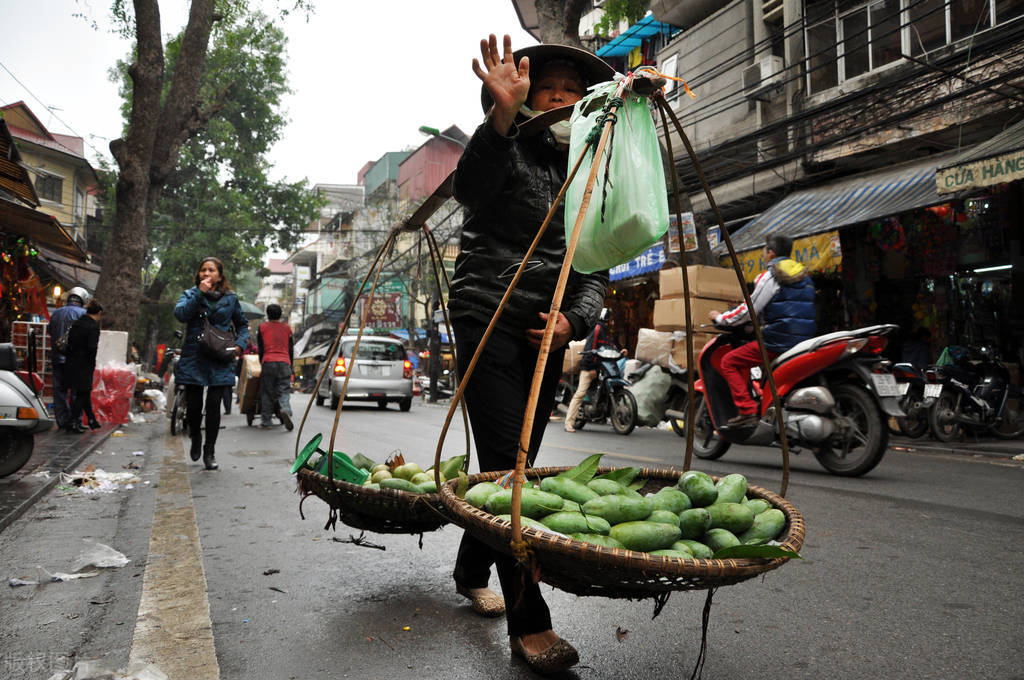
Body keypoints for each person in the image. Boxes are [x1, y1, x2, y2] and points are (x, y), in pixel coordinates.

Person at [447, 34, 612, 674]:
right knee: (507, 467)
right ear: (527, 95)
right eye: (549, 91)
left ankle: (469, 566)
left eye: (573, 94)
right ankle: (530, 622)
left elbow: (595, 267)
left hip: (545, 331)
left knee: (516, 461)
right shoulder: (506, 147)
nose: (561, 100)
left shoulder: (589, 175)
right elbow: (469, 188)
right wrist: (500, 117)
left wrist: (573, 319)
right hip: (486, 311)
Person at [709, 234, 816, 428]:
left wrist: (720, 318)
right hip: (804, 340)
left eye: (764, 252)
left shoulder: (770, 275)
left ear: (771, 252)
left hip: (778, 341)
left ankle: (747, 410)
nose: (763, 256)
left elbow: (749, 310)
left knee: (729, 361)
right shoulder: (805, 276)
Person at [174, 257, 250, 469]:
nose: (207, 274)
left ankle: (210, 451)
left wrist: (239, 346)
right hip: (194, 356)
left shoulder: (231, 299)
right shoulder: (190, 294)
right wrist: (199, 292)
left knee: (214, 406)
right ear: (198, 275)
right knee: (195, 406)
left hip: (221, 356)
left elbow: (243, 326)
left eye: (211, 270)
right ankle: (196, 436)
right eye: (203, 270)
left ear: (219, 275)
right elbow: (181, 314)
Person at [564, 308, 624, 432]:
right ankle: (569, 422)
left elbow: (607, 346)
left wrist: (619, 351)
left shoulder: (603, 330)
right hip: (589, 366)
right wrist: (592, 359)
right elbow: (591, 346)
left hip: (599, 367)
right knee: (580, 394)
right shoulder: (597, 329)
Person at [47, 287, 89, 430]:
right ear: (82, 300)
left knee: (60, 392)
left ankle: (63, 422)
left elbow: (50, 332)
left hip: (58, 359)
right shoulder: (84, 314)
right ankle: (75, 421)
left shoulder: (56, 313)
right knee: (77, 391)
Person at [64, 299, 103, 433]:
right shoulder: (93, 327)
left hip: (71, 361)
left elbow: (69, 343)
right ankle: (73, 421)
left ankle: (91, 420)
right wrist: (92, 364)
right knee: (82, 393)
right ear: (98, 313)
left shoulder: (77, 324)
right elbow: (92, 348)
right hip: (84, 364)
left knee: (83, 392)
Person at [257, 303, 294, 430]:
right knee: (284, 391)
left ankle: (266, 421)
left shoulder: (262, 328)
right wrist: (291, 365)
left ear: (267, 314)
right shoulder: (287, 329)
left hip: (268, 361)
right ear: (280, 315)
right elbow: (290, 349)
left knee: (267, 393)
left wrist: (262, 362)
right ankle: (285, 409)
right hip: (284, 362)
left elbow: (261, 349)